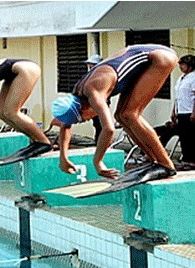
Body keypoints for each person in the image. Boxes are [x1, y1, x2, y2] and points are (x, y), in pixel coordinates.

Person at [51, 44, 179, 179]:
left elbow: (109, 129)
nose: (86, 121)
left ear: (82, 108)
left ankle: (165, 164)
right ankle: (155, 161)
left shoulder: (93, 92)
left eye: (81, 119)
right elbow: (66, 126)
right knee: (121, 115)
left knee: (130, 114)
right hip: (147, 60)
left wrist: (97, 162)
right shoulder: (77, 96)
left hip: (159, 58)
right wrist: (63, 158)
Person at [172, 54, 195, 170]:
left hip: (190, 112)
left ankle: (192, 160)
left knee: (191, 137)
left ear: (190, 66)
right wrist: (173, 111)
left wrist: (194, 112)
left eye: (183, 64)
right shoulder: (181, 78)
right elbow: (177, 97)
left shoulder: (193, 77)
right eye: (180, 64)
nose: (181, 67)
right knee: (184, 137)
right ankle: (186, 159)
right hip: (181, 111)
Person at [84, 54, 110, 144]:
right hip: (93, 104)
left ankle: (103, 144)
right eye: (90, 64)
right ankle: (98, 143)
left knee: (103, 125)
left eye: (93, 64)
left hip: (102, 104)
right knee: (97, 125)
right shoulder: (90, 75)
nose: (90, 66)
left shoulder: (102, 76)